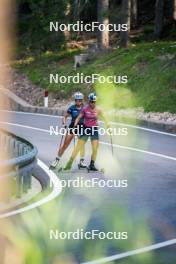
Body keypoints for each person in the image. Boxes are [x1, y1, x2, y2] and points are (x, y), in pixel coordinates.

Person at [64, 92, 109, 171]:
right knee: (78, 147)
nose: (92, 103)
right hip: (86, 129)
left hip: (94, 130)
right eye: (91, 101)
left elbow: (105, 117)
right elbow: (78, 117)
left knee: (95, 148)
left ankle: (92, 164)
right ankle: (69, 163)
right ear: (89, 101)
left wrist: (108, 125)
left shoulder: (98, 109)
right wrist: (75, 125)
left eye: (94, 102)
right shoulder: (85, 109)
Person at [50, 92, 86, 169]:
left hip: (81, 128)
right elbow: (64, 117)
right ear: (75, 100)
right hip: (72, 127)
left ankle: (81, 161)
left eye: (80, 100)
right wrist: (64, 123)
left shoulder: (85, 108)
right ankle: (56, 160)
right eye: (76, 100)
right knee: (65, 145)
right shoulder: (72, 108)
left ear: (82, 100)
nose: (78, 102)